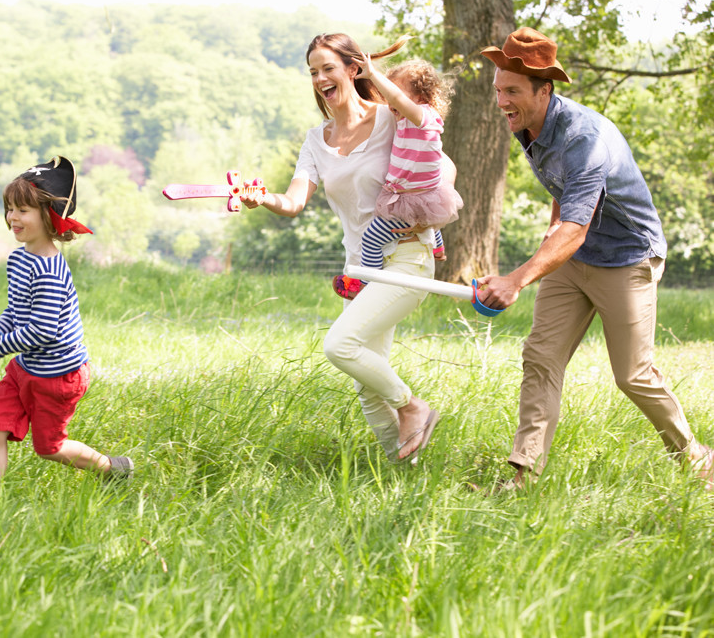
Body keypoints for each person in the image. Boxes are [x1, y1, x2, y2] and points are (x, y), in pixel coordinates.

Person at [475, 27, 712, 490]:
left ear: (545, 91)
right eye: (499, 90)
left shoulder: (585, 137)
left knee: (633, 375)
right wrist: (553, 224)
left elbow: (577, 228)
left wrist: (517, 280)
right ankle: (521, 476)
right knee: (541, 357)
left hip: (626, 257)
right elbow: (564, 194)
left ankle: (697, 458)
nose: (502, 100)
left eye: (512, 91)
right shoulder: (528, 124)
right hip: (573, 257)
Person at [241, 33, 457, 462]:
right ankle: (403, 471)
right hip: (360, 265)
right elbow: (293, 201)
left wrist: (424, 215)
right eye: (314, 72)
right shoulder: (315, 140)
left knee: (340, 345)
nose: (320, 79)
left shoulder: (389, 117)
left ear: (352, 70)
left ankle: (413, 406)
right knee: (365, 383)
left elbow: (442, 163)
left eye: (328, 68)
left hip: (407, 257)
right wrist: (262, 197)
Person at [0, 156, 133, 498]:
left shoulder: (48, 271)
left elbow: (41, 330)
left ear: (49, 217)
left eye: (22, 210)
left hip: (58, 377)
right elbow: (17, 313)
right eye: (9, 208)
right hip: (24, 368)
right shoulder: (20, 258)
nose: (12, 217)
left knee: (49, 447)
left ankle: (111, 468)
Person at [332, 52, 462, 301]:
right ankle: (437, 245)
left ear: (421, 98)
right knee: (425, 209)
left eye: (396, 93)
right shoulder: (402, 119)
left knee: (371, 238)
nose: (390, 101)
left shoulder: (424, 116)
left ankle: (366, 283)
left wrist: (373, 74)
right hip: (416, 194)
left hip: (412, 198)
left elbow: (396, 98)